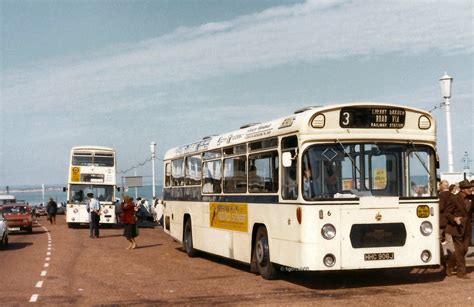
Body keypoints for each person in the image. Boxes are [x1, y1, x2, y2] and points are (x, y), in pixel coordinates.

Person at [445, 180, 472, 279]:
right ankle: (461, 272)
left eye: (470, 187)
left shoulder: (471, 198)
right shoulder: (454, 199)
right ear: (462, 190)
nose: (470, 189)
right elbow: (447, 213)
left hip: (467, 228)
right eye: (468, 188)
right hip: (456, 228)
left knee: (464, 249)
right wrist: (454, 219)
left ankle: (450, 265)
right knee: (460, 250)